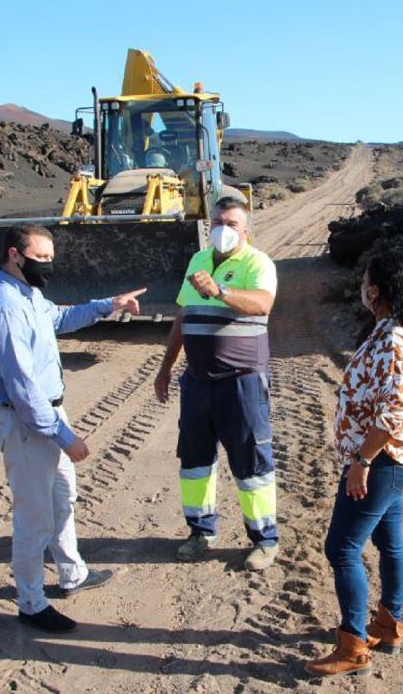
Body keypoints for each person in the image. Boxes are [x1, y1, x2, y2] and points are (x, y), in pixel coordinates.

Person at [0, 225, 146, 633]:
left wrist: (109, 305)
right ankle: (31, 603)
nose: (48, 265)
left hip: (45, 417)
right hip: (27, 423)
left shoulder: (28, 295)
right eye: (42, 257)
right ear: (15, 255)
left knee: (63, 498)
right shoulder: (4, 309)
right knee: (34, 518)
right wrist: (65, 437)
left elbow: (61, 318)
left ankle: (73, 574)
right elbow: (22, 388)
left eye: (51, 257)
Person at [306, 251, 403, 677]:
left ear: (376, 290)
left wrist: (362, 460)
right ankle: (389, 624)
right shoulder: (388, 332)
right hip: (391, 461)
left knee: (341, 547)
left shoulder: (395, 342)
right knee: (389, 542)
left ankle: (353, 647)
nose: (361, 287)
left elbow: (392, 413)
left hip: (381, 461)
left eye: (366, 280)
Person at [154, 196, 280, 571]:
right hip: (197, 382)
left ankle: (264, 540)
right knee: (194, 462)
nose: (223, 230)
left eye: (232, 224)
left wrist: (221, 292)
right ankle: (200, 532)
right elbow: (183, 315)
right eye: (217, 223)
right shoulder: (198, 261)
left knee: (252, 463)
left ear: (246, 230)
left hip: (240, 384)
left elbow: (262, 304)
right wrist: (166, 368)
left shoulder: (258, 263)